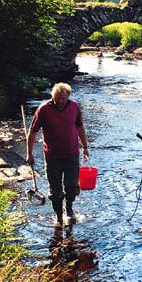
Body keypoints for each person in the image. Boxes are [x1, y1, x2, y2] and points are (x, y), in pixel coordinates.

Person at [26, 82, 90, 227]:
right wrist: (29, 153)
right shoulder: (43, 109)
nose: (60, 101)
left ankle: (69, 209)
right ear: (52, 97)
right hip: (52, 155)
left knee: (72, 186)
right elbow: (33, 132)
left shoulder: (74, 107)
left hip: (72, 154)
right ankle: (59, 216)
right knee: (55, 190)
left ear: (68, 96)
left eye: (63, 98)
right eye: (57, 98)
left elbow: (80, 126)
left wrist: (85, 146)